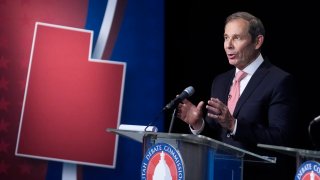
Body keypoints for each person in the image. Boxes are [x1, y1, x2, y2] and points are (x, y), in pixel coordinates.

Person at [176, 11, 299, 179]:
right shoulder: (220, 81)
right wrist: (199, 125)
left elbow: (281, 138)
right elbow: (217, 137)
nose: (228, 45)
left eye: (237, 38)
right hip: (220, 173)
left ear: (257, 41)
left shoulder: (279, 81)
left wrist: (234, 125)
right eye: (226, 37)